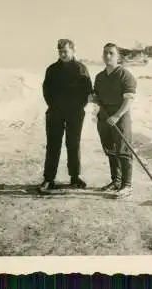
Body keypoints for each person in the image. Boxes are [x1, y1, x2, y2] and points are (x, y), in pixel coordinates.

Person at [39, 39, 93, 193]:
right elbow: (46, 90)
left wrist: (78, 107)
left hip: (75, 113)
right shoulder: (52, 69)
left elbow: (87, 90)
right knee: (53, 145)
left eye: (66, 51)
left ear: (73, 51)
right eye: (60, 51)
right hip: (55, 112)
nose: (63, 54)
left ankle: (75, 177)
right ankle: (49, 179)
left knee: (73, 144)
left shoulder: (81, 68)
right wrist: (54, 106)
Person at [93, 43, 137, 198]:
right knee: (110, 149)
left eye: (111, 53)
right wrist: (93, 98)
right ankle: (116, 181)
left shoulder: (125, 75)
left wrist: (117, 116)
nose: (107, 56)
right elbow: (97, 96)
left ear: (118, 57)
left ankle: (127, 185)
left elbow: (129, 100)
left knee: (123, 150)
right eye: (105, 53)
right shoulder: (99, 77)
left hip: (120, 117)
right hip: (104, 117)